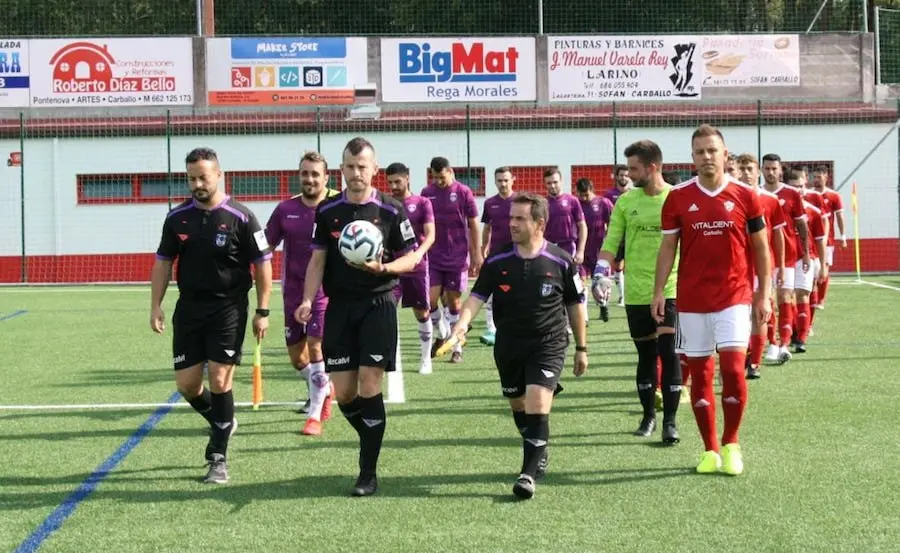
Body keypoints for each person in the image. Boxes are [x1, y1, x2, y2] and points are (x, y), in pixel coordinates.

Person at [296, 137, 419, 497]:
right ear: (342, 168)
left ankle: (367, 471)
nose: (355, 173)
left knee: (369, 385)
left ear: (374, 169)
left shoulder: (393, 211)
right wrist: (307, 299)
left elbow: (411, 259)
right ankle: (371, 434)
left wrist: (385, 267)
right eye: (350, 167)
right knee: (346, 393)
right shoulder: (327, 211)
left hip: (379, 305)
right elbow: (317, 260)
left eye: (362, 167)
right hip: (340, 307)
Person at [448, 193, 588, 500]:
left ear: (539, 223)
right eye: (511, 217)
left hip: (548, 344)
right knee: (519, 406)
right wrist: (461, 326)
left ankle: (527, 473)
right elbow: (476, 297)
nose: (511, 223)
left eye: (519, 218)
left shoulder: (561, 260)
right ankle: (538, 445)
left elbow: (576, 306)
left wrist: (581, 347)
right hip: (509, 345)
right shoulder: (498, 260)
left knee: (538, 403)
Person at [653, 124, 772, 476]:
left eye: (713, 150)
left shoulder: (746, 196)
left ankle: (732, 443)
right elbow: (668, 247)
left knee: (734, 371)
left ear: (725, 154)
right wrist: (659, 291)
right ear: (692, 157)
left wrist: (763, 293)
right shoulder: (677, 197)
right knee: (701, 375)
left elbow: (761, 248)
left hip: (735, 297)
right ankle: (710, 450)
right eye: (700, 151)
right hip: (691, 300)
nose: (707, 156)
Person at [150, 147, 272, 484]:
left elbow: (263, 266)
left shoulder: (243, 217)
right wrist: (155, 304)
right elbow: (163, 263)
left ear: (219, 174)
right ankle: (225, 421)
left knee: (220, 379)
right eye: (191, 178)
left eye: (203, 176)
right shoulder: (177, 218)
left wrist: (263, 310)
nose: (197, 184)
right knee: (188, 385)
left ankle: (218, 457)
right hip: (189, 308)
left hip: (228, 309)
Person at [595, 140, 681, 443]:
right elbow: (611, 242)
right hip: (635, 292)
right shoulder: (625, 202)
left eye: (634, 168)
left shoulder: (676, 198)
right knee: (645, 356)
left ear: (652, 167)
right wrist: (599, 274)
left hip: (671, 290)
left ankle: (671, 421)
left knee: (669, 354)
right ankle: (648, 417)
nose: (628, 174)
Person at [265, 151, 338, 436]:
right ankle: (324, 386)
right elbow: (264, 246)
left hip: (324, 292)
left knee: (317, 346)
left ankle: (315, 415)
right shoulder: (285, 210)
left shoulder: (335, 208)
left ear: (326, 177)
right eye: (305, 173)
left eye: (315, 174)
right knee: (298, 358)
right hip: (292, 293)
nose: (309, 179)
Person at [421, 157, 483, 363]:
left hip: (457, 255)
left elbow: (474, 224)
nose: (439, 181)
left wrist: (476, 253)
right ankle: (443, 333)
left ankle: (457, 348)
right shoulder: (427, 193)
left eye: (442, 176)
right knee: (429, 300)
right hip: (433, 255)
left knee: (455, 301)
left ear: (451, 172)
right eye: (435, 177)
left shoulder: (463, 192)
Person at [736, 153, 786, 379]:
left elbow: (778, 236)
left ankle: (754, 363)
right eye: (742, 168)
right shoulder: (731, 197)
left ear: (758, 172)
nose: (746, 173)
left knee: (759, 314)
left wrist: (782, 267)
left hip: (761, 267)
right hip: (735, 268)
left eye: (750, 169)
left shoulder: (770, 200)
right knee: (738, 317)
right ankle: (741, 357)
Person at [386, 162, 437, 375]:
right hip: (392, 268)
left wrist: (418, 254)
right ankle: (388, 359)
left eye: (397, 181)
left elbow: (431, 234)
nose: (394, 186)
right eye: (390, 182)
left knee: (421, 312)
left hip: (416, 267)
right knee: (386, 312)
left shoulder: (422, 203)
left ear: (407, 178)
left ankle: (426, 359)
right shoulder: (385, 204)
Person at [762, 153, 810, 364]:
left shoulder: (792, 194)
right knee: (767, 300)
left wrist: (806, 253)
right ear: (762, 170)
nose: (771, 172)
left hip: (787, 256)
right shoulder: (755, 194)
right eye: (767, 168)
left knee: (785, 298)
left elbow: (801, 226)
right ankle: (771, 342)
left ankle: (783, 344)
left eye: (774, 168)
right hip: (761, 256)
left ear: (781, 170)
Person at [786, 170, 828, 353]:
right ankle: (793, 330)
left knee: (802, 293)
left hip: (806, 258)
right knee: (787, 297)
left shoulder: (814, 211)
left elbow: (820, 240)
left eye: (801, 187)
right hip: (784, 259)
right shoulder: (780, 208)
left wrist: (823, 265)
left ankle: (801, 338)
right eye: (794, 187)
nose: (799, 190)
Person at [543, 167, 587, 332]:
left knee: (575, 285)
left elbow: (582, 226)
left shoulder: (572, 201)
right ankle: (558, 322)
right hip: (550, 249)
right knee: (552, 285)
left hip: (569, 248)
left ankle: (579, 319)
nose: (552, 186)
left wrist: (581, 250)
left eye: (555, 182)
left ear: (561, 181)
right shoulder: (543, 203)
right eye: (549, 183)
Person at [479, 166, 517, 345]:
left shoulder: (520, 201)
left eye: (506, 180)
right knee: (494, 290)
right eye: (499, 180)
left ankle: (517, 325)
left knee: (517, 288)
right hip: (497, 252)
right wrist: (484, 246)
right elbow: (487, 227)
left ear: (513, 180)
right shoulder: (489, 203)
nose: (503, 184)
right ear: (495, 182)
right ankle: (491, 329)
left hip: (517, 251)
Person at [575, 177, 613, 321]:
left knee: (600, 284)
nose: (584, 198)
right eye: (581, 194)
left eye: (587, 194)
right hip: (582, 250)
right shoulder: (576, 204)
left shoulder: (603, 203)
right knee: (581, 282)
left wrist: (609, 242)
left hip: (599, 251)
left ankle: (603, 305)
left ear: (592, 190)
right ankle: (583, 317)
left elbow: (613, 223)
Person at [812, 166, 846, 309]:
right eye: (815, 177)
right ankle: (811, 298)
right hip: (810, 239)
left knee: (824, 269)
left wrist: (843, 236)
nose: (817, 180)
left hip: (827, 240)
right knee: (813, 270)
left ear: (826, 178)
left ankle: (820, 300)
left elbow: (839, 216)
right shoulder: (809, 195)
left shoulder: (834, 195)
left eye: (819, 177)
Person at [605, 164, 632, 305]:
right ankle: (622, 296)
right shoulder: (609, 195)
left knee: (632, 266)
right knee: (618, 266)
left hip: (633, 235)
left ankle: (630, 294)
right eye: (621, 175)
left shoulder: (634, 193)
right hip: (618, 237)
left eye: (626, 175)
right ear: (616, 177)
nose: (624, 177)